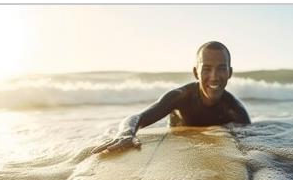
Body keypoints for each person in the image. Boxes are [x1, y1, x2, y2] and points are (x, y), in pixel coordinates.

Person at [92, 41, 251, 154]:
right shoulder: (180, 97)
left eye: (221, 69)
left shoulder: (235, 110)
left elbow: (248, 145)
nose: (214, 77)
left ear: (229, 73)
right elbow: (137, 118)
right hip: (178, 141)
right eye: (207, 69)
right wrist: (126, 133)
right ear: (196, 73)